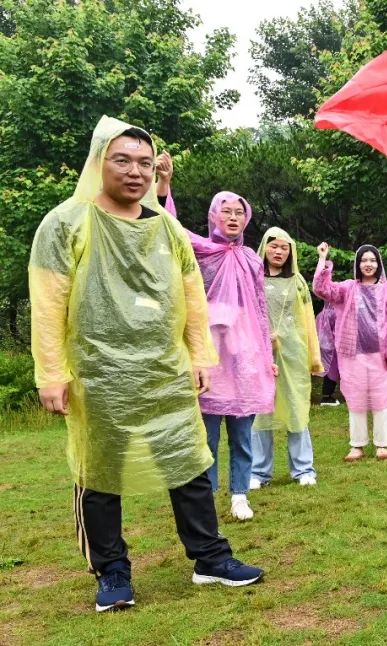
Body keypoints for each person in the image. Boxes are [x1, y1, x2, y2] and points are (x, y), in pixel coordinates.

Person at [30, 117, 263, 612]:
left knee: (189, 463)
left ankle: (210, 557)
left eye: (144, 162)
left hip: (165, 370)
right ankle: (112, 571)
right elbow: (48, 303)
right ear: (99, 162)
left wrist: (200, 355)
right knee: (99, 472)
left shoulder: (166, 227)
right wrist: (51, 373)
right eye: (122, 160)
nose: (135, 172)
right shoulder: (66, 223)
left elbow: (191, 294)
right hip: (99, 373)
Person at [156, 153, 275, 522]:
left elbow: (260, 308)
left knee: (242, 433)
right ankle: (205, 497)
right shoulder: (199, 249)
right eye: (226, 211)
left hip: (244, 355)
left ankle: (240, 494)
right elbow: (166, 226)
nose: (233, 217)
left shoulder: (253, 259)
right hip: (209, 355)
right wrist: (164, 183)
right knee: (205, 435)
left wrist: (267, 354)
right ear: (213, 215)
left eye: (239, 212)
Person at [314, 243, 387, 461]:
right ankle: (357, 445)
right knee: (356, 398)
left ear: (378, 264)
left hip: (381, 354)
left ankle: (382, 445)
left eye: (372, 260)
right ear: (358, 264)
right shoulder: (347, 288)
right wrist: (322, 260)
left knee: (381, 399)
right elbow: (322, 289)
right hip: (353, 355)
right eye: (364, 260)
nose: (368, 264)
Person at [250, 228, 324, 488]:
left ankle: (303, 469)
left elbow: (308, 321)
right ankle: (258, 472)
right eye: (274, 246)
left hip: (293, 354)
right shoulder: (253, 278)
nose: (278, 252)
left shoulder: (297, 282)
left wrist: (313, 357)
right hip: (259, 353)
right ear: (264, 248)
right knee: (261, 410)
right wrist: (261, 337)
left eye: (284, 247)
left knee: (296, 406)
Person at [315, 301, 342, 406]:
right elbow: (337, 331)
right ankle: (327, 397)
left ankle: (327, 395)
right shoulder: (335, 314)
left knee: (329, 371)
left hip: (322, 347)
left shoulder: (320, 315)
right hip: (332, 347)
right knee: (333, 371)